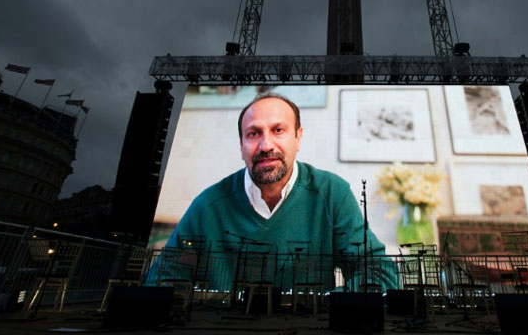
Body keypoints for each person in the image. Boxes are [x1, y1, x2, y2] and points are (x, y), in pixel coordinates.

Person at [146, 92, 396, 291]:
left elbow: (379, 272)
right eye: (253, 134)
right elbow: (161, 281)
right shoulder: (208, 204)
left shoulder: (332, 193)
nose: (266, 145)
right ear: (242, 146)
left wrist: (328, 306)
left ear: (298, 138)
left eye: (278, 130)